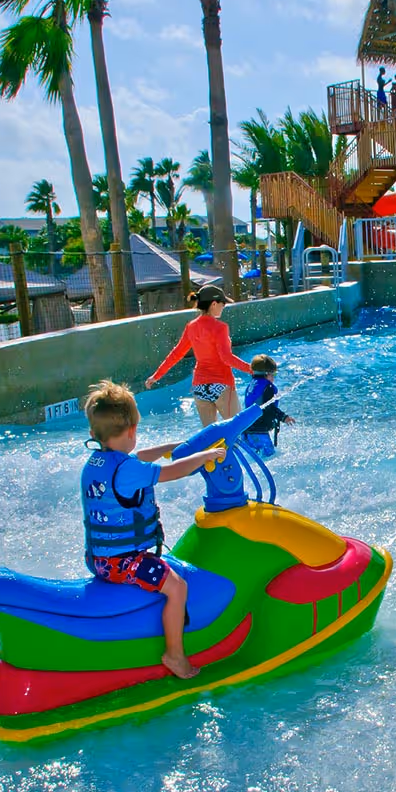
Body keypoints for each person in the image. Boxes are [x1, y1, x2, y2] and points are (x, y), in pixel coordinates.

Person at [81, 380, 227, 679]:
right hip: (121, 563)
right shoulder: (128, 470)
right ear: (133, 429)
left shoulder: (98, 461)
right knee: (177, 587)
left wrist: (172, 448)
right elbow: (171, 472)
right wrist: (207, 456)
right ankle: (175, 655)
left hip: (98, 558)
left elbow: (139, 458)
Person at [146, 284, 252, 426]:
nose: (223, 307)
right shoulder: (220, 327)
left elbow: (176, 354)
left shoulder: (191, 326)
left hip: (200, 387)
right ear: (214, 304)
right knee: (238, 427)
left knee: (210, 439)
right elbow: (226, 358)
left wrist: (156, 376)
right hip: (221, 384)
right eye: (223, 304)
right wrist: (252, 369)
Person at [241, 354, 295, 457]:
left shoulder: (251, 385)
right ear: (267, 374)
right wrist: (284, 417)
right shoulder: (267, 387)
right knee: (269, 457)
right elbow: (269, 407)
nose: (273, 378)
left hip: (246, 431)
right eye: (273, 375)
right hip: (258, 432)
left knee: (256, 459)